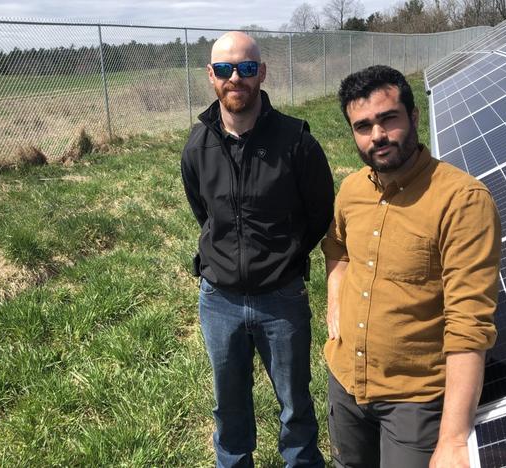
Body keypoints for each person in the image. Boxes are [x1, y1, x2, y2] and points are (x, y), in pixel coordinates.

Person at [321, 65, 501, 468]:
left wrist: (454, 438)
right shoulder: (351, 190)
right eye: (363, 126)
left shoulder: (462, 201)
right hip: (346, 382)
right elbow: (337, 249)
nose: (377, 136)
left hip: (414, 402)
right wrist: (335, 304)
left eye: (388, 119)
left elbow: (469, 324)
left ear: (414, 116)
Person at [180, 31, 334, 467]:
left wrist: (283, 258)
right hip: (219, 300)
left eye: (246, 68)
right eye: (225, 69)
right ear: (211, 75)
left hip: (281, 299)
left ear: (261, 73)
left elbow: (320, 212)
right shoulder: (197, 145)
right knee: (227, 406)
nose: (236, 78)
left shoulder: (296, 141)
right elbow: (203, 212)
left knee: (295, 404)